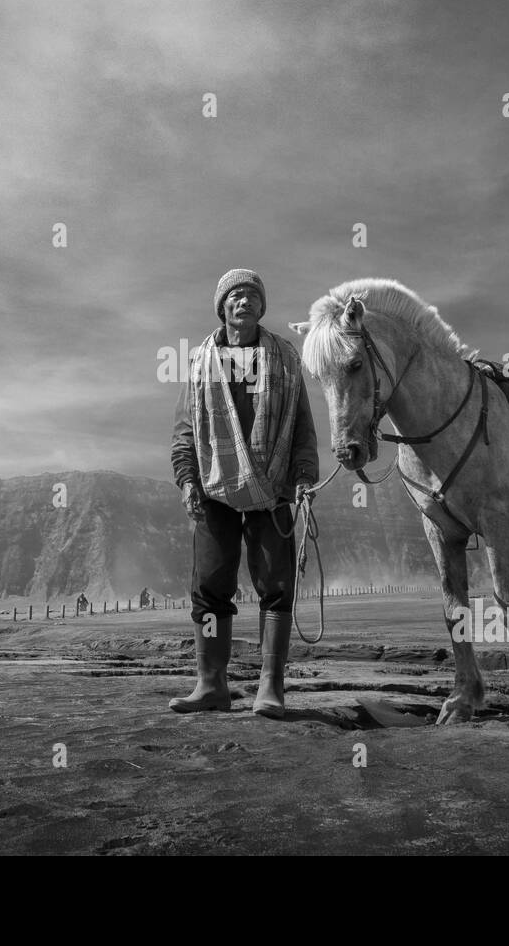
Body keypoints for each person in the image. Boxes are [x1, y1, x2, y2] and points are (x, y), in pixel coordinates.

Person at [169, 269, 318, 717]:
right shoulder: (199, 361)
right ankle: (211, 685)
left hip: (272, 489)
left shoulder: (286, 358)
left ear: (261, 307)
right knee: (210, 586)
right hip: (214, 488)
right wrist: (188, 478)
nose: (243, 301)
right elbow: (185, 429)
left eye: (252, 295)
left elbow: (303, 427)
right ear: (222, 307)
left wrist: (304, 475)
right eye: (235, 295)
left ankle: (270, 689)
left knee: (275, 585)